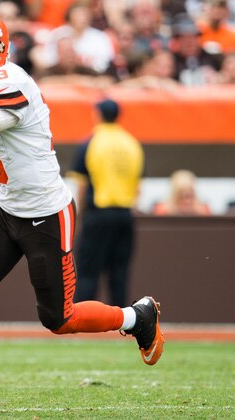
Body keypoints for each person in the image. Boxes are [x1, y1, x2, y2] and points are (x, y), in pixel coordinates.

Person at [0, 10, 165, 416]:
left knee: (60, 319)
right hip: (6, 210)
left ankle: (136, 316)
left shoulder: (12, 82)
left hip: (45, 215)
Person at [70, 99, 144, 309]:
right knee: (119, 272)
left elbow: (82, 185)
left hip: (98, 214)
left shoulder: (91, 142)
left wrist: (79, 215)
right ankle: (122, 321)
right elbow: (138, 186)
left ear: (98, 114)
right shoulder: (131, 143)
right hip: (125, 215)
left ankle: (83, 318)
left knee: (87, 271)